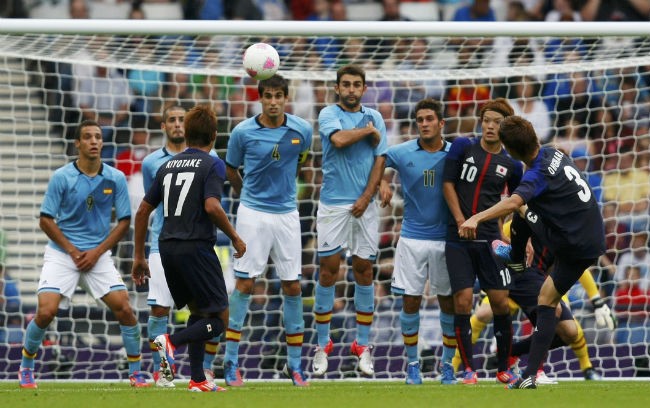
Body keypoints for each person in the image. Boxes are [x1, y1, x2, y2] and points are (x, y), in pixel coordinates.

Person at [459, 115, 605, 389]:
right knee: (547, 301)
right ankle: (527, 373)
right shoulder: (554, 153)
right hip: (591, 236)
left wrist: (476, 218)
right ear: (535, 137)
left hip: (570, 243)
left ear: (511, 152)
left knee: (521, 211)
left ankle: (513, 258)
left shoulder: (535, 175)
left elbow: (514, 200)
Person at [18, 120, 149, 388]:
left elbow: (124, 221)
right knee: (45, 312)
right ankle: (26, 367)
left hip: (97, 255)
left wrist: (97, 252)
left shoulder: (114, 178)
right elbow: (45, 220)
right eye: (87, 137)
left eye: (98, 137)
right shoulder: (62, 177)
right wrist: (73, 251)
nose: (93, 141)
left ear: (102, 142)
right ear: (77, 143)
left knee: (125, 309)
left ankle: (136, 373)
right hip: (63, 254)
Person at [131, 105, 246, 392]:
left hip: (166, 247)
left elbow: (143, 211)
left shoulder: (167, 165)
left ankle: (196, 379)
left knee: (198, 312)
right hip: (195, 247)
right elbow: (212, 205)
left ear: (189, 133)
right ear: (214, 136)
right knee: (219, 319)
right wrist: (234, 237)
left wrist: (137, 256)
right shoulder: (213, 164)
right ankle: (172, 342)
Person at [222, 74, 312, 387]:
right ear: (260, 98)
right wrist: (246, 195)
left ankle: (295, 366)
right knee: (245, 284)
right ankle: (230, 364)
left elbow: (300, 162)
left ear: (286, 97)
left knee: (293, 287)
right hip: (252, 214)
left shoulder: (302, 130)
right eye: (268, 96)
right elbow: (231, 168)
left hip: (287, 214)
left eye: (278, 96)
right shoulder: (242, 132)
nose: (273, 101)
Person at [451, 219, 613, 382]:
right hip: (512, 280)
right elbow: (495, 247)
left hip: (544, 282)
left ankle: (586, 368)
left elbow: (576, 265)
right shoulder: (515, 225)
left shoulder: (562, 230)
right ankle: (454, 366)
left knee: (570, 331)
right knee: (483, 314)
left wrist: (596, 299)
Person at [313, 64, 387, 377]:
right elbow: (340, 140)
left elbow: (381, 158)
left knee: (364, 269)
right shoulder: (328, 114)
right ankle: (322, 345)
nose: (351, 89)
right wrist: (368, 131)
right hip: (333, 205)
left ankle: (363, 345)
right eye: (346, 84)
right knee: (329, 270)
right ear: (337, 88)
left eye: (357, 84)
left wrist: (368, 195)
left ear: (364, 88)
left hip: (364, 204)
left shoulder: (376, 117)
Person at [442, 98, 523, 385]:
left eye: (497, 122)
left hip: (490, 240)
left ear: (506, 126)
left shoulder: (512, 164)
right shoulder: (463, 146)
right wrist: (461, 220)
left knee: (501, 303)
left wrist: (509, 234)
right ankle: (468, 370)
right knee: (462, 302)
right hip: (458, 238)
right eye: (486, 120)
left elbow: (516, 202)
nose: (490, 126)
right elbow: (447, 183)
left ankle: (504, 367)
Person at [377, 98, 457, 385]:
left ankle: (448, 366)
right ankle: (412, 365)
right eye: (419, 120)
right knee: (410, 303)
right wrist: (383, 181)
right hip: (411, 239)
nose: (424, 124)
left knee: (448, 304)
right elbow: (379, 157)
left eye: (429, 119)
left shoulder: (455, 153)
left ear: (441, 123)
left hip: (445, 241)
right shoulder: (402, 151)